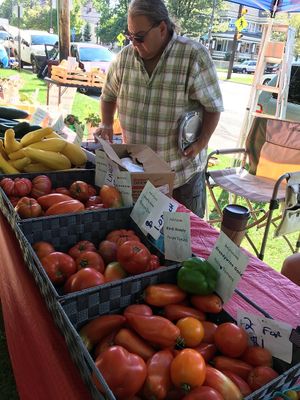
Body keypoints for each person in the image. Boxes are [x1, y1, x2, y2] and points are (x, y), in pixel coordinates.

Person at [94, 0, 223, 218]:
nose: (134, 42)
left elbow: (213, 107)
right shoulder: (124, 58)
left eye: (140, 36)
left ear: (162, 28)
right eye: (130, 35)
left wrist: (201, 142)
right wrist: (107, 122)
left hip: (181, 178)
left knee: (183, 247)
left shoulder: (193, 56)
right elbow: (108, 95)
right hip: (137, 176)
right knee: (142, 242)